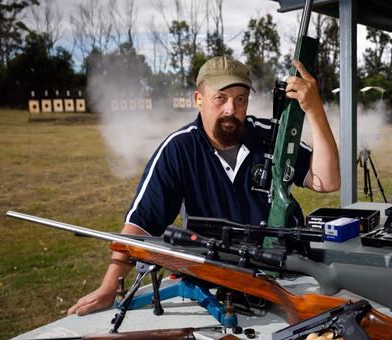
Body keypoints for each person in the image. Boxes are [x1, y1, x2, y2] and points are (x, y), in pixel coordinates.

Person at [68, 56, 340, 315]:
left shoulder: (271, 136)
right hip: (216, 286)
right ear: (198, 99)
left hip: (288, 277)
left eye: (240, 100)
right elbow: (140, 226)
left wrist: (314, 109)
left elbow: (327, 181)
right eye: (220, 98)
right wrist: (108, 287)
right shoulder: (178, 149)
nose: (230, 110)